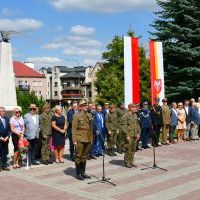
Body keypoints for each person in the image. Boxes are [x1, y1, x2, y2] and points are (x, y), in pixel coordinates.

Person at [72, 100, 93, 180]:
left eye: (86, 105)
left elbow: (91, 128)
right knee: (78, 156)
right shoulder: (76, 115)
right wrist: (74, 140)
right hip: (79, 138)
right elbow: (74, 129)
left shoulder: (89, 115)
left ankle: (83, 172)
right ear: (80, 107)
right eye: (84, 105)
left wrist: (91, 138)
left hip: (87, 138)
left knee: (84, 156)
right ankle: (78, 173)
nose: (86, 106)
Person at [121, 103, 141, 168]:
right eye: (134, 107)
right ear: (130, 108)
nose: (135, 108)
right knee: (128, 149)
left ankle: (131, 161)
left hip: (135, 134)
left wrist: (138, 133)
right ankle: (127, 162)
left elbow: (137, 125)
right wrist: (126, 135)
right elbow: (124, 126)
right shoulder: (125, 116)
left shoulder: (135, 115)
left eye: (135, 107)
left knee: (133, 149)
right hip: (129, 135)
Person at [0, 107, 10, 171]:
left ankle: (4, 166)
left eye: (4, 111)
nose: (3, 112)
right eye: (1, 111)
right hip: (0, 139)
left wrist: (7, 136)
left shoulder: (7, 119)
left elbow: (9, 129)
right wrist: (0, 137)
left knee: (4, 153)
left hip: (6, 139)